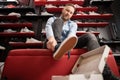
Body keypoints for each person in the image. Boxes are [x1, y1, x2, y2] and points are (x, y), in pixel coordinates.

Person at [44, 3, 120, 80]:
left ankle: (106, 73)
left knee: (90, 36)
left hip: (65, 44)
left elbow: (71, 35)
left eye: (71, 13)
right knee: (58, 21)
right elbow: (48, 29)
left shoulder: (73, 24)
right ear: (63, 9)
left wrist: (70, 44)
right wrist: (52, 39)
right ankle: (58, 47)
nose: (68, 13)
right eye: (67, 10)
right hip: (52, 42)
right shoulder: (52, 19)